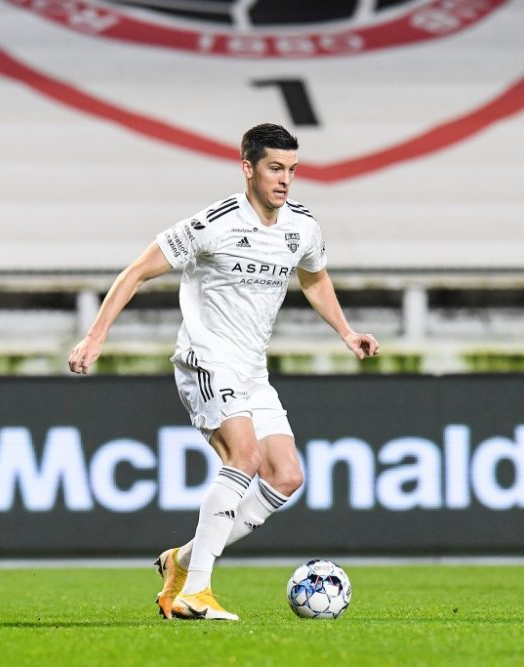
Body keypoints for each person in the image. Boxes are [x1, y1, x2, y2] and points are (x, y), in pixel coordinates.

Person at [68, 123, 379, 621]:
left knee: (287, 474)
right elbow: (136, 272)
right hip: (206, 360)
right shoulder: (214, 223)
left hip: (253, 371)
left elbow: (315, 278)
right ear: (247, 168)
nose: (285, 180)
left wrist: (346, 331)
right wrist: (96, 335)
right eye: (275, 168)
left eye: (292, 171)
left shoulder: (302, 228)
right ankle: (198, 590)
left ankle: (181, 562)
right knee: (245, 454)